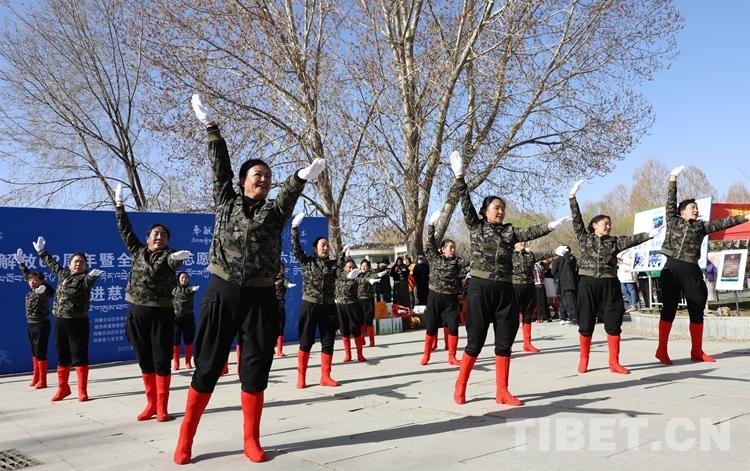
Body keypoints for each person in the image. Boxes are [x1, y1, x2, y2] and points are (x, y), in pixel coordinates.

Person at [174, 94, 325, 465]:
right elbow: (220, 169)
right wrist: (212, 129)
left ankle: (251, 440)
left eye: (268, 177)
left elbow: (287, 196)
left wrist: (299, 178)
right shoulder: (226, 201)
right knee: (208, 365)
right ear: (243, 181)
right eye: (258, 175)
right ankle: (186, 438)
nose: (264, 180)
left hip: (260, 298)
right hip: (223, 292)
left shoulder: (274, 212)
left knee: (255, 368)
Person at [449, 151, 571, 405]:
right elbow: (465, 203)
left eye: (503, 208)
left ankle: (502, 391)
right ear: (485, 211)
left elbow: (529, 232)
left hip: (505, 289)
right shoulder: (476, 226)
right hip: (480, 287)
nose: (501, 211)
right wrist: (460, 177)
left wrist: (550, 226)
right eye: (496, 208)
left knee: (504, 340)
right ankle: (461, 384)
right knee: (475, 341)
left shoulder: (509, 232)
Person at [655, 165, 750, 365]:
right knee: (669, 308)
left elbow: (724, 223)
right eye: (692, 207)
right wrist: (673, 178)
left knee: (697, 306)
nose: (696, 210)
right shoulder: (673, 220)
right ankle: (661, 350)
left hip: (691, 270)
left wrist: (746, 217)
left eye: (697, 207)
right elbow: (670, 201)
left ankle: (697, 351)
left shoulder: (701, 226)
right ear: (682, 212)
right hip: (672, 268)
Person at [115, 185, 191, 422]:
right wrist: (119, 207)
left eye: (163, 235)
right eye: (155, 234)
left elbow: (173, 261)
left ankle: (162, 407)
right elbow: (125, 229)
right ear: (147, 238)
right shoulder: (137, 251)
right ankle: (150, 404)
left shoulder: (170, 256)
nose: (159, 237)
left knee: (161, 360)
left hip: (161, 314)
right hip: (136, 312)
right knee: (145, 360)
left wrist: (175, 258)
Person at [568, 180, 655, 375]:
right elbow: (577, 220)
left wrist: (648, 235)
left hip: (609, 284)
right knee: (586, 322)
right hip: (587, 284)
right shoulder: (584, 238)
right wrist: (572, 198)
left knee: (614, 321)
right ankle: (584, 359)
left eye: (609, 224)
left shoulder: (614, 242)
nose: (608, 226)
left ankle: (614, 362)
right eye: (604, 223)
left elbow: (631, 240)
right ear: (594, 225)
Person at [32, 236, 102, 402]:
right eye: (75, 262)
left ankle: (82, 391)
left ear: (85, 266)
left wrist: (92, 277)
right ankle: (63, 388)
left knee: (79, 355)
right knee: (62, 355)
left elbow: (89, 281)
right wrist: (41, 252)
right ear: (69, 264)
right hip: (60, 320)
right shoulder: (63, 274)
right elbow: (52, 264)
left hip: (78, 322)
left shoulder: (85, 279)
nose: (78, 264)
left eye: (82, 262)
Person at [291, 213, 351, 388]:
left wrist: (346, 261)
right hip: (310, 305)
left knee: (328, 340)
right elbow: (296, 249)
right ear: (314, 248)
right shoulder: (307, 262)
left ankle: (325, 376)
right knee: (306, 341)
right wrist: (294, 229)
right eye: (322, 245)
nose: (325, 248)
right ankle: (301, 377)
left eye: (327, 245)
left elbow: (341, 272)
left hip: (329, 307)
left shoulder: (332, 264)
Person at [420, 211, 470, 366]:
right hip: (435, 297)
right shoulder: (435, 258)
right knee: (431, 326)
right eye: (450, 248)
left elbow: (470, 261)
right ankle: (426, 355)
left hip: (451, 299)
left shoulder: (457, 262)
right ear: (442, 249)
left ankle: (452, 357)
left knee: (453, 326)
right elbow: (430, 244)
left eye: (454, 248)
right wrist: (431, 225)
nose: (453, 250)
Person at [14, 248, 55, 390]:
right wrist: (21, 263)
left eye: (35, 280)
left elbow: (44, 293)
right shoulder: (32, 289)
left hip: (41, 325)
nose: (32, 282)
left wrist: (41, 291)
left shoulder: (43, 291)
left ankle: (43, 380)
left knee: (40, 351)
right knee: (34, 351)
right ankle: (36, 376)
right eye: (30, 280)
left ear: (41, 281)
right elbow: (27, 274)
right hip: (31, 325)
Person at [511, 243, 557, 352]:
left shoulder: (530, 255)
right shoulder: (509, 255)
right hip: (514, 287)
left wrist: (555, 251)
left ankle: (527, 343)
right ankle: (507, 345)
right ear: (514, 244)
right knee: (512, 318)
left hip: (529, 287)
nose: (523, 243)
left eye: (524, 242)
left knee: (528, 316)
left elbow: (543, 255)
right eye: (520, 242)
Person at [335, 257, 367, 362]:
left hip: (353, 305)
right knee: (344, 330)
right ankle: (348, 355)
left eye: (353, 267)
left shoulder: (356, 277)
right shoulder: (339, 276)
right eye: (349, 267)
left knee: (356, 330)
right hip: (341, 305)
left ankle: (360, 354)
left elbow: (363, 279)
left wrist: (371, 279)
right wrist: (342, 254)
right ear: (344, 268)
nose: (351, 269)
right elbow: (337, 266)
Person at [356, 259, 387, 348]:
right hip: (359, 300)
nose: (364, 267)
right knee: (360, 320)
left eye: (366, 266)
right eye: (362, 266)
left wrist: (380, 274)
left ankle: (372, 341)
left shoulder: (370, 274)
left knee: (369, 320)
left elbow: (375, 275)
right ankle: (362, 339)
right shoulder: (357, 274)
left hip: (368, 299)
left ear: (369, 267)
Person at [173, 272, 199, 370]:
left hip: (188, 317)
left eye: (186, 277)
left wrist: (193, 289)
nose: (184, 279)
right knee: (175, 341)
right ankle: (176, 363)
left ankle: (188, 362)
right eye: (182, 277)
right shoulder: (174, 289)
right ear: (179, 279)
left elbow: (191, 290)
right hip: (176, 318)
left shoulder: (190, 288)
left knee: (189, 340)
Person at [550, 246, 579, 325]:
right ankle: (569, 316)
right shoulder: (572, 259)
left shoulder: (558, 260)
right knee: (570, 300)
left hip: (563, 283)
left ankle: (570, 317)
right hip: (570, 283)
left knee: (565, 300)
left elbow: (553, 272)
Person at [274, 264, 296, 357]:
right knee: (269, 328)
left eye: (281, 268)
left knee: (280, 327)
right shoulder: (269, 279)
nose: (280, 270)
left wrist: (289, 285)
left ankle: (279, 350)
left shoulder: (284, 279)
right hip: (269, 307)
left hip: (279, 306)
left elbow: (286, 283)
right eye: (278, 268)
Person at [617, 248, 640, 313]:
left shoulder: (631, 250)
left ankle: (633, 305)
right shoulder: (619, 251)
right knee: (623, 290)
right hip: (622, 274)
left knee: (631, 289)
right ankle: (632, 303)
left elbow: (634, 262)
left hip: (629, 273)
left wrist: (623, 260)